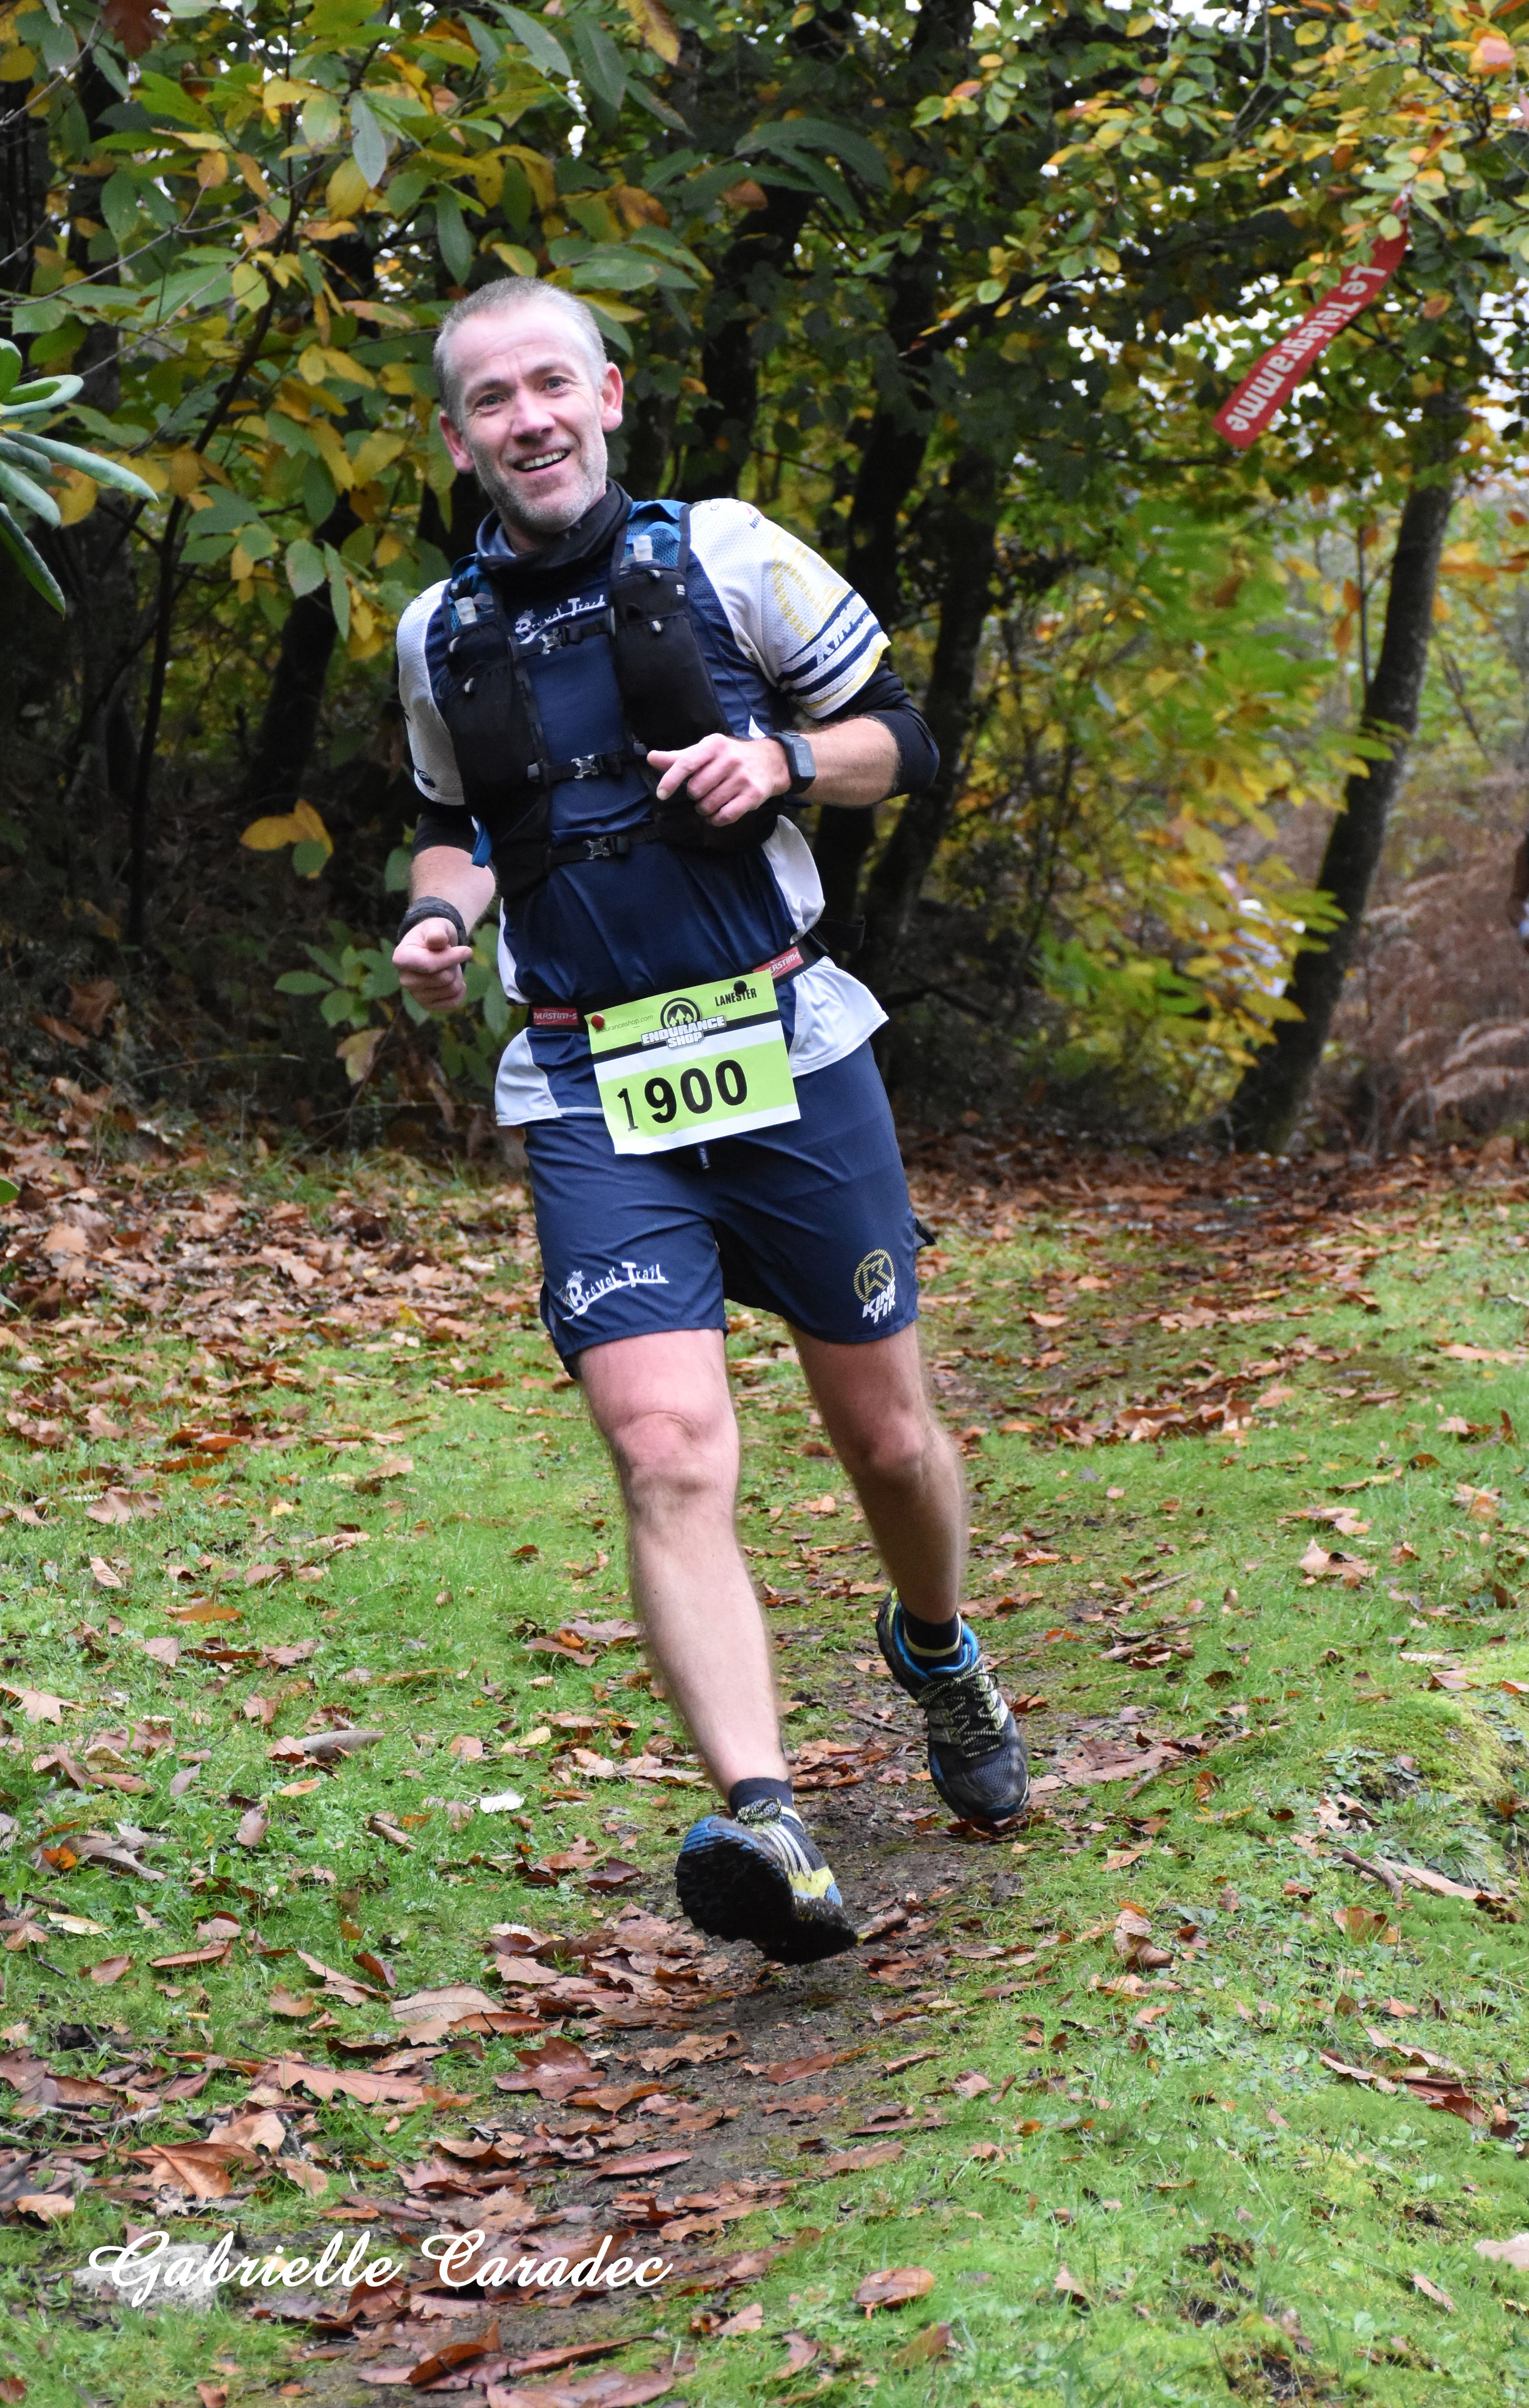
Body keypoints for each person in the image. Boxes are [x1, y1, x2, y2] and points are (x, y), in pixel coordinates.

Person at [391, 278, 1028, 1965]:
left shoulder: (730, 552)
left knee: (887, 1441)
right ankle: (770, 1826)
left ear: (606, 394)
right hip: (588, 1079)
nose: (526, 420)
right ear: (456, 438)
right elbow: (457, 822)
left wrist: (787, 766)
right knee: (666, 1448)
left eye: (550, 384)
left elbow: (907, 736)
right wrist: (441, 918)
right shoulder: (435, 630)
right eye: (489, 401)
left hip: (788, 1047)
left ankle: (938, 1648)